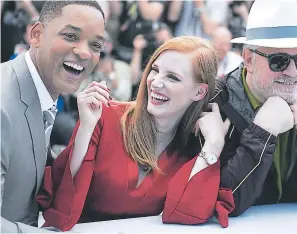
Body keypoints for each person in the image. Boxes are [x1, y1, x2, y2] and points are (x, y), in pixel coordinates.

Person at [36, 36, 235, 231]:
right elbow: (61, 205)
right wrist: (86, 128)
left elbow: (186, 216)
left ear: (199, 92)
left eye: (172, 77)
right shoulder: (103, 115)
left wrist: (214, 144)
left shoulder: (194, 147)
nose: (155, 82)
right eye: (154, 70)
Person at [213, 0, 297, 216]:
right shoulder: (217, 101)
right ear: (248, 59)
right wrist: (261, 133)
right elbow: (222, 202)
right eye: (279, 61)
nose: (293, 72)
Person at [1, 1, 106, 232]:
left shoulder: (41, 93)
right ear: (36, 34)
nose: (84, 52)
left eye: (96, 45)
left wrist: (86, 128)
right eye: (70, 36)